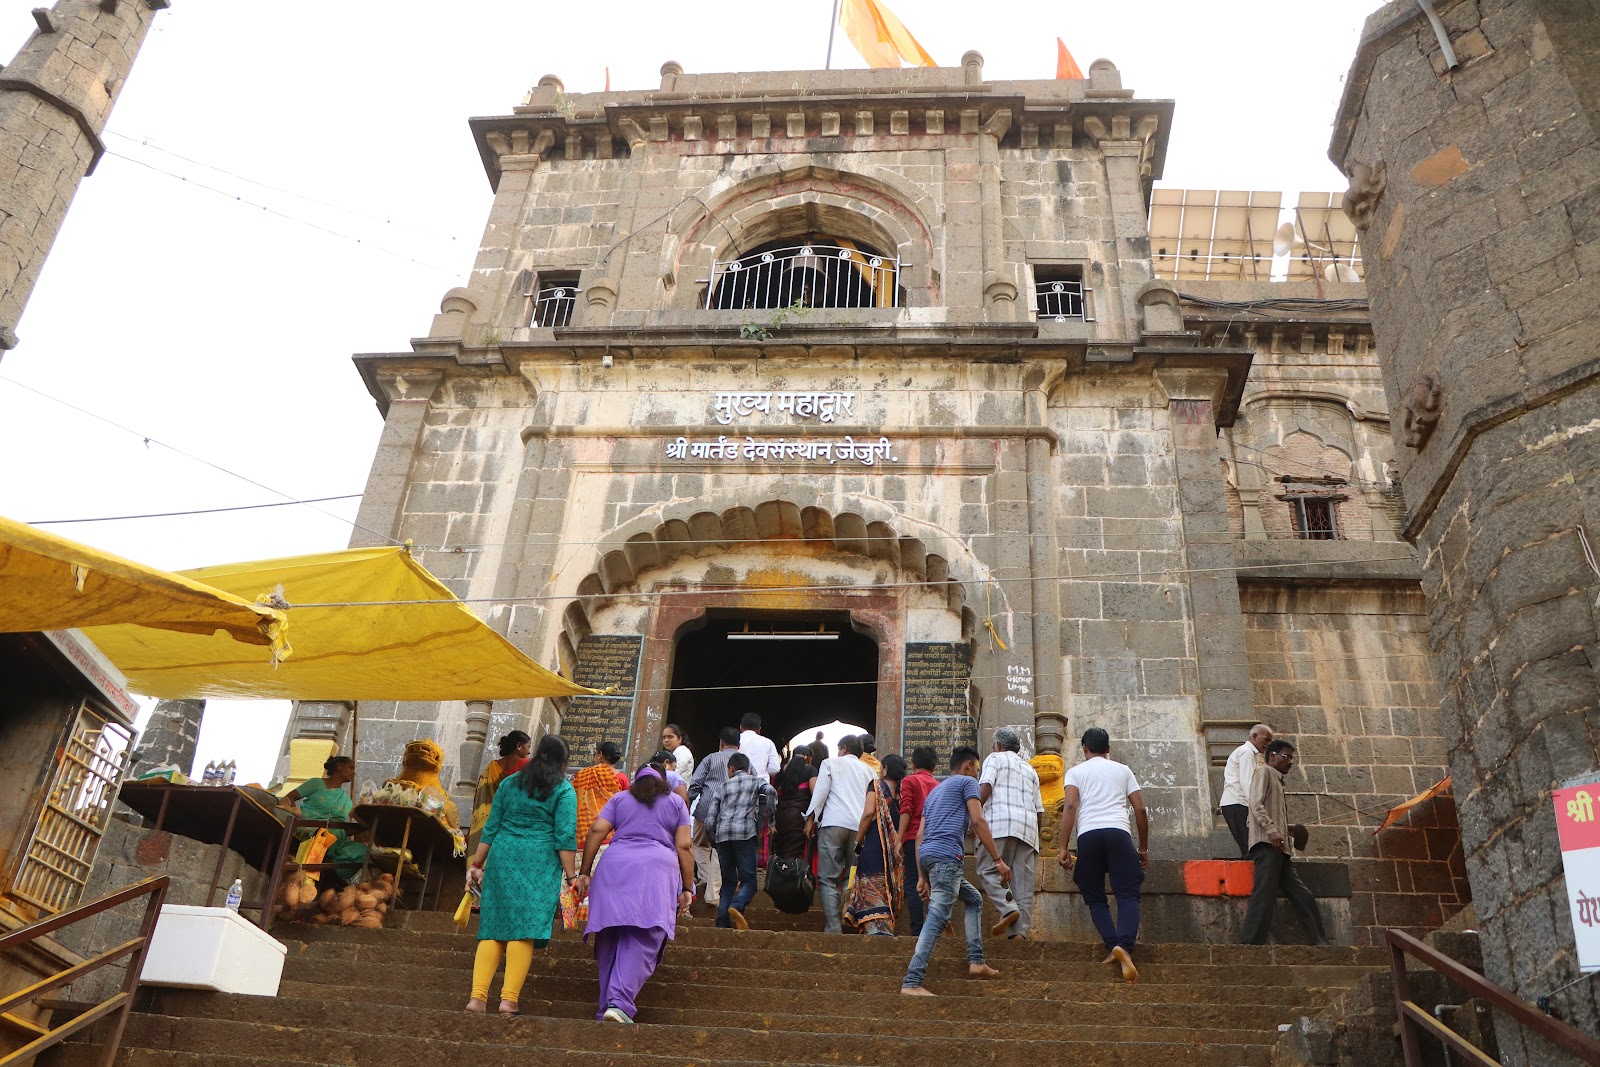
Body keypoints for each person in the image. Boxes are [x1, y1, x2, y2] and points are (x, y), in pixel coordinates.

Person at [575, 761, 694, 1025]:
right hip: (655, 872)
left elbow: (596, 830)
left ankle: (606, 1007)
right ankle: (618, 1003)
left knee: (610, 938)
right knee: (644, 935)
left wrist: (585, 872)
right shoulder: (676, 803)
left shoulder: (620, 799)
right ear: (664, 781)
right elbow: (684, 846)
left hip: (613, 867)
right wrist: (687, 887)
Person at [465, 735, 576, 1015]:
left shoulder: (509, 783)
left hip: (503, 857)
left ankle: (477, 999)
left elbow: (491, 828)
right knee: (524, 929)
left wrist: (477, 864)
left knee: (493, 926)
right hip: (539, 863)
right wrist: (573, 877)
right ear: (563, 762)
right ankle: (508, 1000)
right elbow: (564, 838)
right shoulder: (563, 790)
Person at [901, 746, 1010, 995]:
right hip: (947, 857)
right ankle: (912, 981)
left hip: (929, 856)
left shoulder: (936, 792)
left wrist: (921, 875)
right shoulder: (967, 783)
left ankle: (976, 960)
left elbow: (919, 836)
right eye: (977, 769)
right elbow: (978, 820)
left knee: (973, 900)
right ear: (969, 765)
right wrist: (997, 860)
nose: (977, 775)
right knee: (938, 916)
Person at [1059, 727, 1149, 984]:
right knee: (1128, 894)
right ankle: (1125, 947)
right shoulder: (1123, 770)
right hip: (1119, 833)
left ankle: (1113, 945)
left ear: (1084, 750)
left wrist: (1063, 846)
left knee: (1095, 896)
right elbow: (1140, 810)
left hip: (1088, 835)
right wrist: (1142, 848)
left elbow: (1071, 805)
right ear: (1108, 749)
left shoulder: (1076, 772)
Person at [1240, 740, 1329, 946]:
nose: (1290, 762)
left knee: (1302, 895)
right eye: (1285, 756)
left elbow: (1270, 815)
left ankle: (1319, 941)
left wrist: (1289, 830)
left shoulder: (1278, 781)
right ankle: (1249, 944)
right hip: (1267, 846)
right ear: (1272, 755)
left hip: (1280, 849)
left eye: (1291, 758)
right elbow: (1255, 804)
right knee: (1264, 895)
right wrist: (1271, 830)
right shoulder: (1264, 772)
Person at [803, 733, 878, 933]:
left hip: (833, 824)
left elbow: (820, 793)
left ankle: (834, 927)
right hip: (860, 826)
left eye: (839, 748)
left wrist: (810, 819)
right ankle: (847, 907)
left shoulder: (830, 764)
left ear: (844, 748)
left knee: (827, 878)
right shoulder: (870, 771)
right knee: (850, 876)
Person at [977, 728, 1046, 939]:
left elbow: (985, 787)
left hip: (999, 824)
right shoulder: (1030, 769)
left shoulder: (995, 758)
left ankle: (1008, 908)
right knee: (1023, 886)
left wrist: (974, 814)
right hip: (1028, 831)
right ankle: (1019, 935)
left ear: (998, 745)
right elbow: (1039, 810)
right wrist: (1035, 835)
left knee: (987, 871)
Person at [703, 752, 777, 930]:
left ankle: (722, 923)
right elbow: (771, 792)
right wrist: (771, 819)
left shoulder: (722, 787)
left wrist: (714, 839)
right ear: (748, 768)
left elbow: (709, 820)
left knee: (728, 882)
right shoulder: (755, 781)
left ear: (731, 768)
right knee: (749, 881)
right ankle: (737, 906)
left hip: (723, 837)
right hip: (745, 835)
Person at [280, 755, 368, 883]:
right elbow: (290, 798)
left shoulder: (347, 800)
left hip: (336, 841)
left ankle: (333, 874)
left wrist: (365, 826)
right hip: (310, 832)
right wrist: (296, 814)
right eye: (351, 767)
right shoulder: (316, 784)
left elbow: (343, 830)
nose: (354, 772)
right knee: (328, 835)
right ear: (339, 766)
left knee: (365, 852)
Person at [846, 753, 904, 936]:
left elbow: (868, 813)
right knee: (885, 887)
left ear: (885, 769)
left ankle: (876, 932)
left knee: (871, 885)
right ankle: (884, 930)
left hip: (873, 845)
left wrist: (858, 840)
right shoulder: (901, 795)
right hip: (893, 854)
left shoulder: (876, 786)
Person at [687, 726, 741, 906]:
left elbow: (695, 784)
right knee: (720, 850)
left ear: (721, 742)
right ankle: (713, 892)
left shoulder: (711, 758)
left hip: (706, 809)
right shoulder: (744, 761)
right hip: (731, 813)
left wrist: (687, 804)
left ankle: (705, 877)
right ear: (738, 745)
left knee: (699, 844)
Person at [896, 746, 939, 937]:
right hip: (934, 841)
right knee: (932, 885)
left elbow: (906, 810)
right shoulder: (938, 785)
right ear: (935, 767)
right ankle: (934, 931)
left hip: (913, 838)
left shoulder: (909, 780)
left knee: (914, 884)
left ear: (913, 764)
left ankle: (917, 932)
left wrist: (898, 838)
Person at [468, 730, 530, 852]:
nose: (529, 752)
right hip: (510, 822)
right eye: (528, 747)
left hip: (488, 820)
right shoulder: (526, 765)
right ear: (518, 746)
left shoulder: (492, 766)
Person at [1220, 724, 1273, 858]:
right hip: (1238, 803)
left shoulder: (1248, 753)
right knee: (1250, 846)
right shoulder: (1246, 752)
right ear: (1254, 736)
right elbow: (1247, 782)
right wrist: (1257, 806)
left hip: (1238, 803)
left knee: (1250, 846)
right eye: (1266, 740)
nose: (1268, 744)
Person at [574, 741, 626, 847]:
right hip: (609, 833)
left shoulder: (583, 775)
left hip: (584, 833)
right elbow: (625, 807)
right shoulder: (621, 778)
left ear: (600, 755)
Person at [773, 753, 816, 860]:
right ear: (807, 759)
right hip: (798, 818)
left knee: (780, 852)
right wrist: (811, 819)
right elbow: (815, 794)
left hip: (780, 816)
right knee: (793, 854)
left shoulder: (782, 771)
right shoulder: (810, 770)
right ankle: (789, 875)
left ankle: (779, 873)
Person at [737, 712, 781, 780]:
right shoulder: (768, 743)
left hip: (738, 783)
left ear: (740, 727)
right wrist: (762, 772)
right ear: (759, 730)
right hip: (761, 784)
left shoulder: (734, 740)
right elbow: (775, 768)